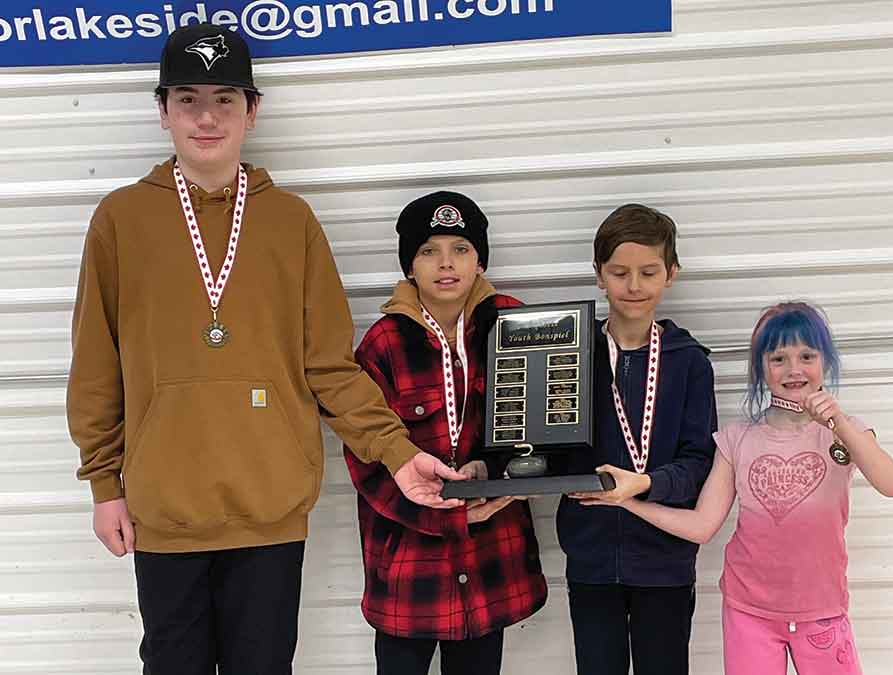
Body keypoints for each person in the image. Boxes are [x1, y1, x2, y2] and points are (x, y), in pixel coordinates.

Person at [66, 24, 462, 675]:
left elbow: (329, 366)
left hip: (270, 510)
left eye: (225, 99)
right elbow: (96, 365)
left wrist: (397, 452)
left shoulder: (292, 221)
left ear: (252, 110)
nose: (205, 117)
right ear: (161, 109)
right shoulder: (120, 220)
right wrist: (105, 484)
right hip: (166, 506)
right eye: (187, 98)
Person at [605, 301, 893, 674]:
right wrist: (627, 502)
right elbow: (702, 525)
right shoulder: (736, 439)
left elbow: (891, 484)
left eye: (807, 355)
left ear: (825, 361)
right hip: (749, 611)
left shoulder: (847, 431)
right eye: (778, 358)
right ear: (761, 367)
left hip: (822, 610)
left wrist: (837, 421)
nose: (794, 369)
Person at [344, 191, 548, 675]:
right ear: (409, 266)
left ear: (480, 260)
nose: (446, 263)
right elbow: (366, 461)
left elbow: (542, 425)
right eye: (428, 251)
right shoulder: (383, 344)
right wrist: (444, 515)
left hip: (491, 562)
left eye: (460, 248)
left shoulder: (515, 325)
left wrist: (494, 474)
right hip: (409, 570)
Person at [558, 203, 718, 675]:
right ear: (598, 274)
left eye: (648, 271)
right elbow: (547, 446)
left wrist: (643, 483)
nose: (633, 286)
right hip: (590, 558)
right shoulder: (570, 352)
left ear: (671, 273)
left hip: (664, 560)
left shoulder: (689, 362)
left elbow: (698, 463)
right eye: (619, 272)